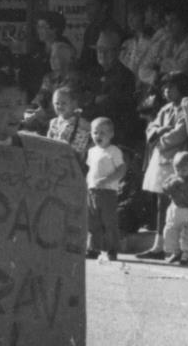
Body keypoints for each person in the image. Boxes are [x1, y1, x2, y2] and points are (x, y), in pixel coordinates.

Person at [139, 71, 188, 265]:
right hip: (161, 160)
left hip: (177, 160)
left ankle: (181, 248)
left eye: (170, 87)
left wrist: (159, 139)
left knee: (178, 203)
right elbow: (151, 127)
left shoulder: (186, 109)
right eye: (164, 87)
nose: (166, 91)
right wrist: (158, 131)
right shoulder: (165, 110)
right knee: (161, 202)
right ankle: (160, 244)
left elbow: (179, 135)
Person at [86, 117, 125, 262]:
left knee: (108, 220)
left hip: (107, 191)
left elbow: (121, 169)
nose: (98, 136)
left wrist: (108, 180)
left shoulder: (114, 151)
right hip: (92, 191)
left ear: (111, 134)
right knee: (92, 221)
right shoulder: (91, 151)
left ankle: (112, 248)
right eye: (95, 132)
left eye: (103, 133)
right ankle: (93, 248)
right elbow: (91, 170)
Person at [46, 84, 91, 156]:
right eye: (57, 103)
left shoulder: (80, 122)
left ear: (73, 103)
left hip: (73, 160)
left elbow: (96, 133)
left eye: (64, 103)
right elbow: (47, 142)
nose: (60, 106)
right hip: (55, 156)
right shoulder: (54, 122)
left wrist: (86, 150)